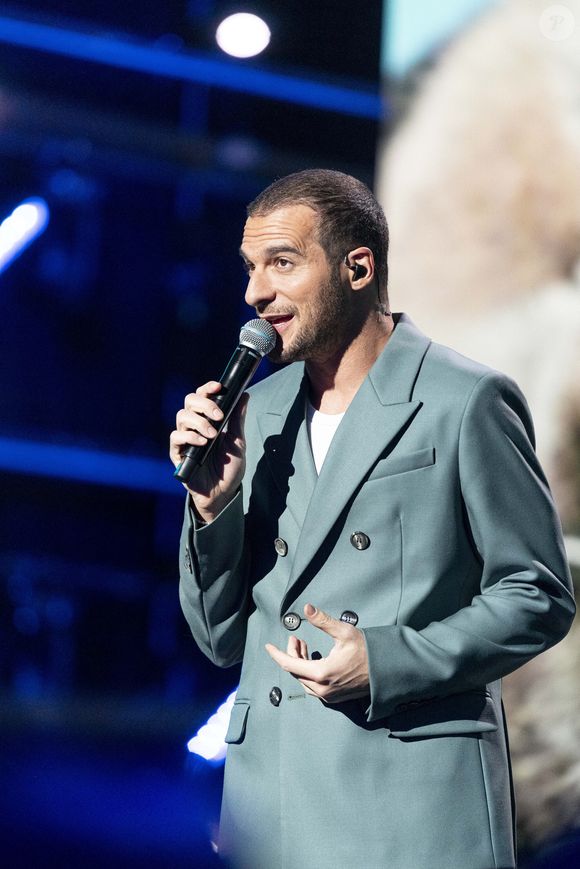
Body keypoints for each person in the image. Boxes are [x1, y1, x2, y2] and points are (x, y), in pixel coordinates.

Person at [170, 169, 575, 869]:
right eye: (251, 267)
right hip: (275, 802)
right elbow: (218, 638)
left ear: (359, 267)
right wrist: (213, 505)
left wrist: (387, 657)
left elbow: (538, 594)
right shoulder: (258, 415)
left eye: (282, 263)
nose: (254, 292)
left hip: (410, 806)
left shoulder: (464, 400)